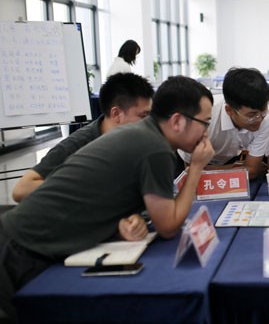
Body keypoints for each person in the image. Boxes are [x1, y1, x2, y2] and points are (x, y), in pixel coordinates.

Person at [0, 76, 215, 323]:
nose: (206, 133)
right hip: (22, 249)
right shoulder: (155, 148)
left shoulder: (144, 135)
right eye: (205, 123)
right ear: (177, 121)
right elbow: (168, 226)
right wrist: (196, 168)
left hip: (27, 241)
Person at [11, 73, 155, 203]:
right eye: (143, 116)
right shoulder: (77, 145)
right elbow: (21, 189)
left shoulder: (138, 140)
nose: (149, 122)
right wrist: (85, 188)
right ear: (116, 114)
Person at [179, 67, 269, 179]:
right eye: (251, 115)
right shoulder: (204, 118)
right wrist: (237, 168)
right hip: (186, 161)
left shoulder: (266, 117)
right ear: (229, 110)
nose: (259, 119)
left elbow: (252, 170)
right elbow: (191, 171)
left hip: (229, 159)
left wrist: (214, 170)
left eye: (263, 111)